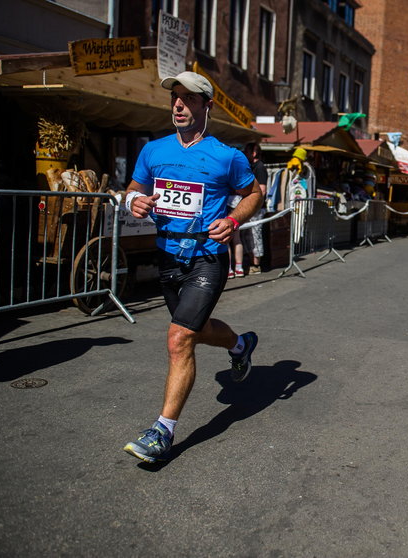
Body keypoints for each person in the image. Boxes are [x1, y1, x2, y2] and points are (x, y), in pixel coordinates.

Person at [122, 71, 263, 463]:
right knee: (194, 331)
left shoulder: (227, 156)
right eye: (174, 98)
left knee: (179, 338)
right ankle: (240, 345)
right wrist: (131, 201)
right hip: (167, 258)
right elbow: (133, 189)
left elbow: (254, 193)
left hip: (206, 258)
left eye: (187, 99)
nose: (178, 105)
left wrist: (234, 220)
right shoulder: (153, 150)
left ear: (206, 106)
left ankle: (162, 431)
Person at [241, 142, 268, 274]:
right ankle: (251, 262)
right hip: (250, 207)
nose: (244, 154)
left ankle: (256, 265)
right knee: (248, 235)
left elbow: (262, 190)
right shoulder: (250, 166)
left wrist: (252, 203)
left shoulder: (260, 167)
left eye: (246, 151)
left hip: (256, 209)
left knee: (255, 235)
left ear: (254, 152)